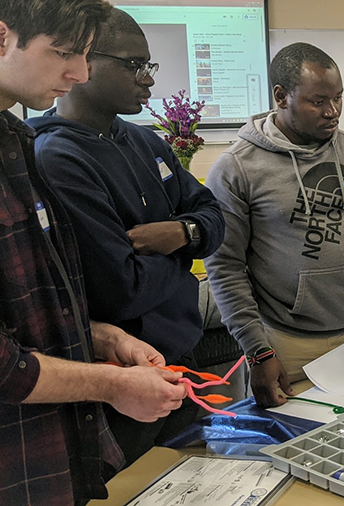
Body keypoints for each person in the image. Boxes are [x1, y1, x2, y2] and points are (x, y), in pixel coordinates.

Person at [0, 2, 189, 505]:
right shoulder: (54, 149)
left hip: (49, 456)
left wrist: (97, 337)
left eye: (84, 55)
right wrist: (109, 385)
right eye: (63, 53)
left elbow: (31, 307)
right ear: (2, 38)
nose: (78, 73)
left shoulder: (15, 143)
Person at [27, 8, 226, 468]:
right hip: (123, 378)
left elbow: (213, 216)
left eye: (149, 67)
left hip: (180, 359)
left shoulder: (146, 142)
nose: (148, 81)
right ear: (85, 64)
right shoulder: (57, 157)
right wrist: (182, 258)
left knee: (198, 484)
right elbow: (122, 291)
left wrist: (180, 231)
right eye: (135, 66)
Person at [204, 42, 344, 408]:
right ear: (282, 97)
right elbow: (225, 267)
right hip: (285, 346)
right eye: (319, 101)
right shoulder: (237, 168)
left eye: (339, 98)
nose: (333, 112)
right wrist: (258, 351)